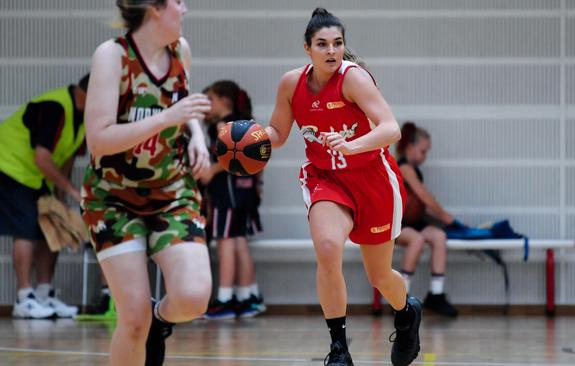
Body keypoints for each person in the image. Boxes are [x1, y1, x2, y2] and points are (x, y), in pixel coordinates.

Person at [264, 8, 422, 366]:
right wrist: (250, 142)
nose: (331, 50)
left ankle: (407, 312)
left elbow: (391, 129)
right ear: (308, 49)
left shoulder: (354, 79)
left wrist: (352, 145)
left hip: (371, 178)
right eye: (322, 44)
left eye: (337, 43)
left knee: (379, 275)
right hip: (326, 179)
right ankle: (339, 348)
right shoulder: (291, 84)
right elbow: (277, 134)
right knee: (328, 246)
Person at [81, 0, 212, 365]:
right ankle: (145, 321)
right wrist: (168, 117)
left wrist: (196, 135)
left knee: (193, 298)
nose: (185, 9)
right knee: (132, 319)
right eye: (178, 2)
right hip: (112, 199)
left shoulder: (179, 50)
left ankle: (160, 319)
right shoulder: (113, 56)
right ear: (155, 9)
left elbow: (182, 100)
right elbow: (99, 140)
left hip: (172, 191)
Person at [0, 73, 89, 319]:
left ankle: (43, 293)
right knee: (26, 226)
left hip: (35, 176)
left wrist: (60, 198)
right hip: (9, 167)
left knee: (52, 226)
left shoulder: (83, 120)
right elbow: (43, 157)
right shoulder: (56, 107)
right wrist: (73, 191)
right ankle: (24, 298)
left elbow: (68, 159)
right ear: (87, 93)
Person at [199, 80, 265, 319]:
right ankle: (249, 296)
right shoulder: (245, 124)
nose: (207, 106)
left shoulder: (221, 126)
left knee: (226, 243)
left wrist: (210, 172)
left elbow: (230, 156)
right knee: (238, 243)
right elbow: (258, 159)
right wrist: (257, 186)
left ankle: (225, 300)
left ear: (223, 100)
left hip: (227, 193)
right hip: (244, 193)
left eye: (210, 100)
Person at [394, 122, 460, 317]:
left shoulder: (416, 170)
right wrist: (445, 216)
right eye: (423, 151)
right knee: (417, 240)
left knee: (439, 236)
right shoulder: (404, 168)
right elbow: (423, 195)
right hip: (398, 225)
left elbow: (419, 206)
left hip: (416, 223)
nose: (425, 156)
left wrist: (445, 222)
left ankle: (436, 295)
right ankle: (401, 300)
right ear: (409, 148)